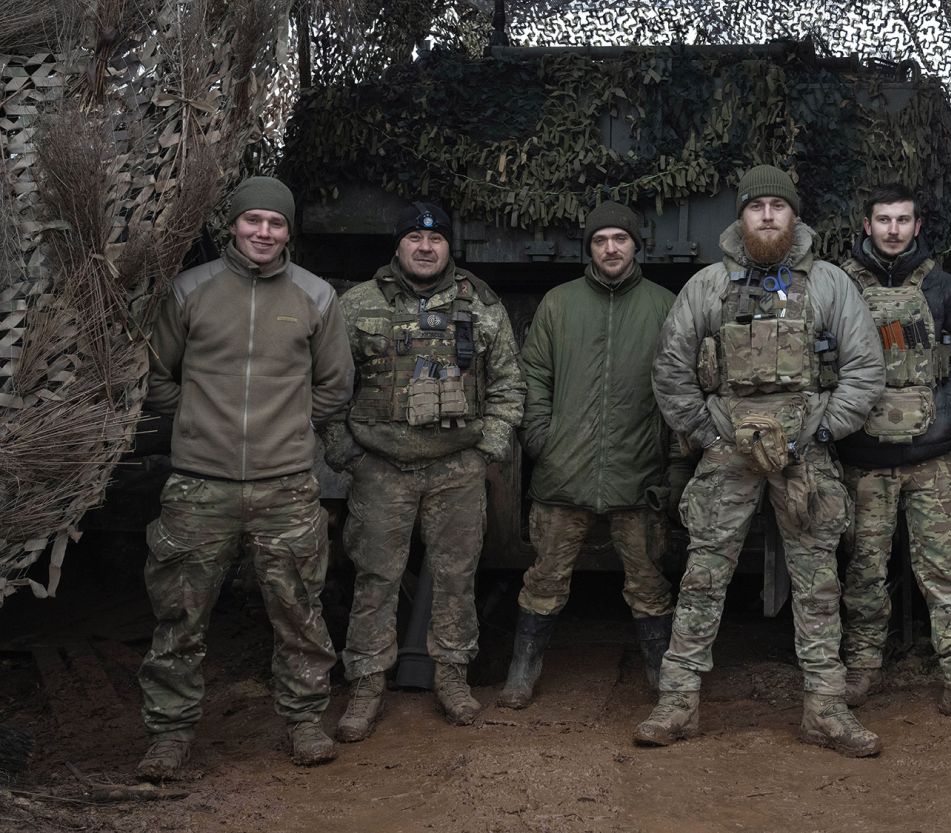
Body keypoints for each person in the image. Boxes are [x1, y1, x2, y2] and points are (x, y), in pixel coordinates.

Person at [635, 164, 885, 756]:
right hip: (727, 450)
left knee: (818, 581)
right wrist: (710, 431)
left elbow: (864, 369)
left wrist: (816, 433)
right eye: (756, 207)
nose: (767, 216)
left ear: (794, 215)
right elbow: (671, 369)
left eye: (778, 206)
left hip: (805, 453)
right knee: (702, 577)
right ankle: (677, 702)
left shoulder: (828, 284)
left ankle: (825, 709)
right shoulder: (708, 286)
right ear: (740, 217)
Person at [137, 176, 354, 778]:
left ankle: (305, 720)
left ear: (289, 231)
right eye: (253, 220)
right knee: (181, 615)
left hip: (285, 485)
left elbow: (335, 386)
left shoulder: (314, 297)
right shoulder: (191, 291)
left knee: (299, 609)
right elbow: (156, 376)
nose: (264, 232)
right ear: (232, 224)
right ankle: (170, 735)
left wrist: (288, 427)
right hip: (198, 486)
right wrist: (198, 418)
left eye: (276, 223)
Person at [326, 201, 525, 742]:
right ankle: (366, 684)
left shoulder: (480, 304)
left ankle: (453, 677)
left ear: (448, 247)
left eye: (434, 239)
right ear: (398, 245)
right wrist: (348, 454)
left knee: (457, 579)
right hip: (381, 467)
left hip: (456, 466)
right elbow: (325, 387)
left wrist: (486, 448)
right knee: (375, 579)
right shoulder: (357, 305)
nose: (424, 247)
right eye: (413, 237)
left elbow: (509, 385)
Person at [833, 183, 951, 729]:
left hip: (929, 456)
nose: (893, 229)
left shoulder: (941, 286)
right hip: (863, 455)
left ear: (918, 227)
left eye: (903, 220)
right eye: (883, 219)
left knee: (946, 570)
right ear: (866, 225)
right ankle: (862, 665)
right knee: (864, 568)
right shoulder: (840, 284)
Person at [497, 201, 676, 708]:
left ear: (636, 245)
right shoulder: (559, 303)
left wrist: (672, 459)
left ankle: (661, 676)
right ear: (590, 248)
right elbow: (534, 376)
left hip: (638, 474)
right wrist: (540, 440)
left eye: (620, 239)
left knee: (648, 584)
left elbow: (682, 385)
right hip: (564, 473)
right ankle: (521, 672)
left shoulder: (665, 305)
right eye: (600, 240)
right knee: (545, 578)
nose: (611, 248)